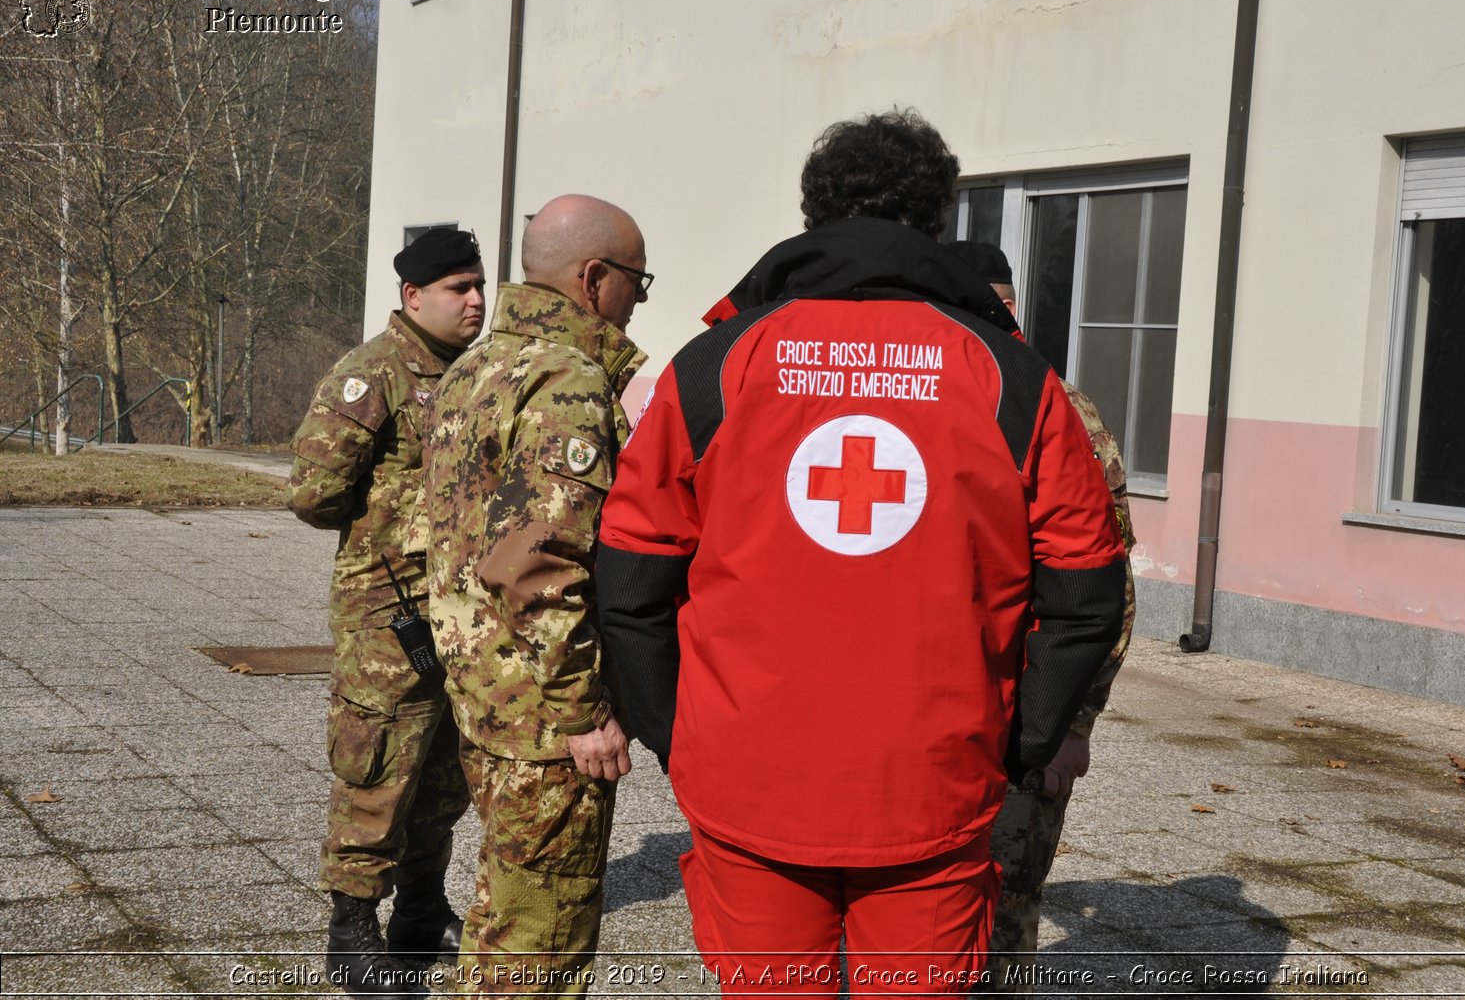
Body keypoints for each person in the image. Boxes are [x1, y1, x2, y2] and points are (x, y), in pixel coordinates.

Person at [596, 110, 1127, 995]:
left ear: (815, 216)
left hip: (746, 785)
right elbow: (1085, 594)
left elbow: (630, 578)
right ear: (937, 221)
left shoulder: (715, 365)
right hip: (937, 787)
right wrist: (1017, 745)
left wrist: (676, 732)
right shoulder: (1014, 378)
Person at [421, 195, 648, 997]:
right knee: (538, 951)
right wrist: (585, 712)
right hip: (546, 719)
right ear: (594, 279)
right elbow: (539, 566)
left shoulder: (473, 367)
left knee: (501, 920)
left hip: (486, 696)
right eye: (637, 282)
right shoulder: (569, 379)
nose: (637, 301)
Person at [286, 227, 485, 997]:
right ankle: (351, 928)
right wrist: (420, 517)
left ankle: (422, 909)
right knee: (377, 765)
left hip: (460, 609)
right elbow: (311, 492)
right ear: (413, 296)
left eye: (478, 286)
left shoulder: (472, 371)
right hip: (386, 613)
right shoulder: (372, 374)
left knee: (444, 769)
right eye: (457, 289)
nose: (474, 301)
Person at [947, 238, 1139, 992]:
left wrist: (1070, 725)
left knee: (1001, 910)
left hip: (1024, 717)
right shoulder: (930, 389)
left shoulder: (1051, 404)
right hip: (937, 714)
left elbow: (1106, 587)